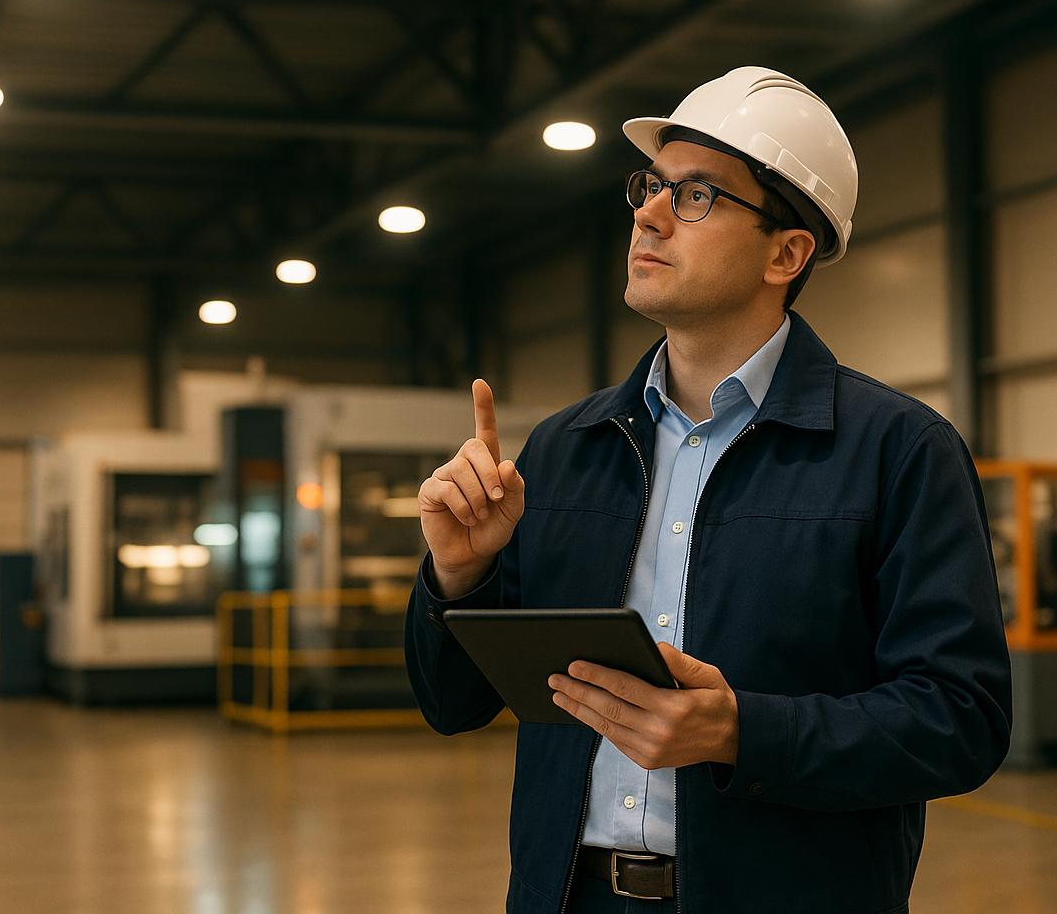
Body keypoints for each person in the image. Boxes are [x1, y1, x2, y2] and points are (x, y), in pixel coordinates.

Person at [404, 67, 1013, 913]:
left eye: (697, 196)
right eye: (651, 187)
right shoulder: (567, 450)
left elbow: (961, 719)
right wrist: (457, 579)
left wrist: (741, 733)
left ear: (786, 252)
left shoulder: (897, 451)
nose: (649, 213)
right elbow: (452, 705)